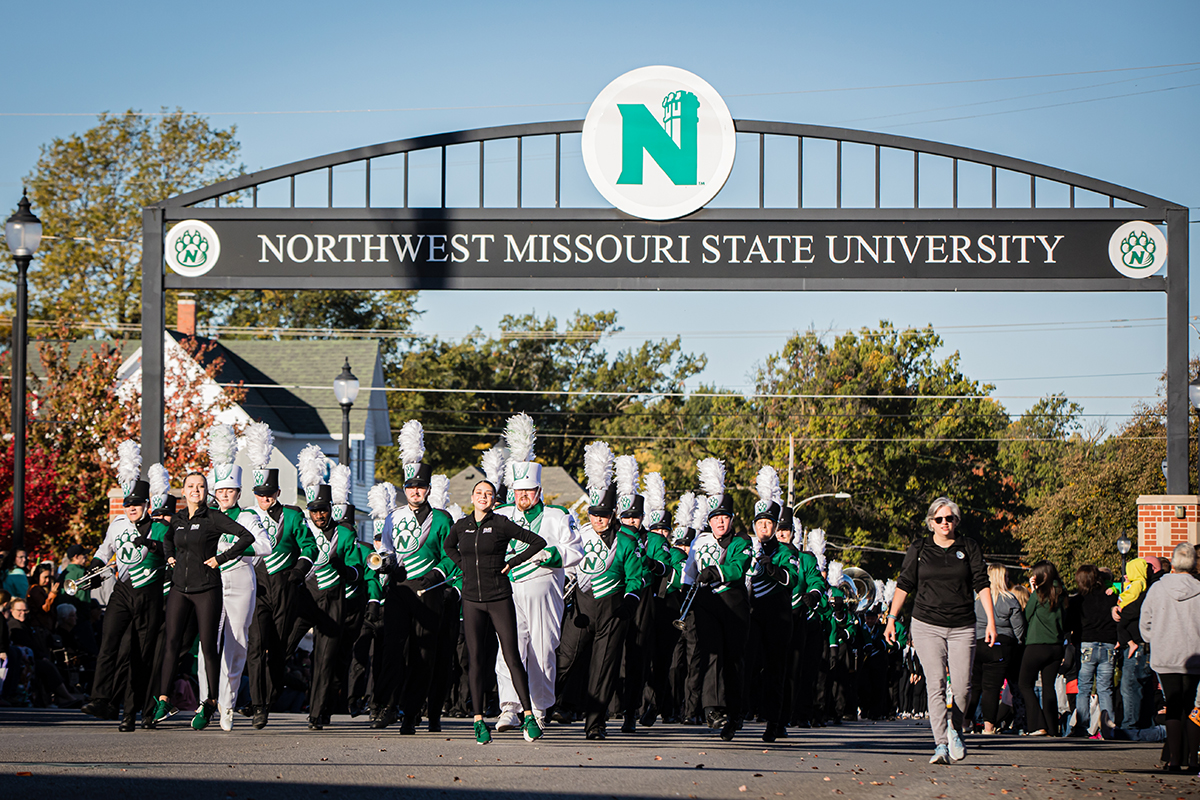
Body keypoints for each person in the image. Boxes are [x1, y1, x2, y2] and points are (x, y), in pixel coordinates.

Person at [492, 413, 584, 734]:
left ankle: (540, 708)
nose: (523, 497)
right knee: (509, 649)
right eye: (519, 491)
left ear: (539, 489)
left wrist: (551, 553)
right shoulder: (503, 514)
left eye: (529, 491)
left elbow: (576, 552)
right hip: (509, 590)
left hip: (545, 588)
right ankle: (510, 708)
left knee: (543, 651)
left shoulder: (558, 515)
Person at [885, 497, 994, 765]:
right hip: (926, 624)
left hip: (962, 625)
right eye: (939, 519)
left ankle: (956, 729)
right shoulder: (919, 548)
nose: (945, 523)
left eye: (950, 518)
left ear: (956, 521)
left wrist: (990, 621)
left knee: (962, 688)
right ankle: (941, 744)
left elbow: (982, 583)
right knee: (935, 684)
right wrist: (891, 618)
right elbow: (905, 583)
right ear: (931, 522)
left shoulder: (968, 547)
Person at [554, 440, 646, 740]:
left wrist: (630, 602)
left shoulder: (627, 541)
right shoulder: (577, 535)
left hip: (613, 608)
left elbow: (635, 578)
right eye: (594, 513)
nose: (598, 519)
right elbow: (566, 567)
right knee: (565, 659)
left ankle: (595, 724)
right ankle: (545, 707)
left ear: (613, 514)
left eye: (604, 514)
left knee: (603, 667)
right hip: (581, 605)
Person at [444, 478, 547, 744]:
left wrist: (513, 562)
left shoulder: (500, 523)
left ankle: (528, 716)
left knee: (512, 656)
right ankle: (479, 721)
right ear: (472, 496)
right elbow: (448, 547)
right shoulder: (461, 526)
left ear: (494, 499)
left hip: (499, 596)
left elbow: (537, 542)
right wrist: (462, 565)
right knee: (476, 660)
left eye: (488, 494)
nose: (483, 496)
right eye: (479, 492)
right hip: (471, 600)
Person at [151, 471, 256, 730]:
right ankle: (163, 700)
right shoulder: (177, 519)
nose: (195, 490)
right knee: (171, 643)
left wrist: (221, 558)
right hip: (179, 588)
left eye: (200, 486)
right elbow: (167, 539)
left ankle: (209, 703)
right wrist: (169, 557)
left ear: (205, 491)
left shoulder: (213, 517)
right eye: (190, 486)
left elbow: (247, 537)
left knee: (209, 647)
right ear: (184, 491)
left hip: (207, 588)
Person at [79, 476, 169, 730]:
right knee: (109, 642)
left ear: (146, 504)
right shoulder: (118, 524)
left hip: (150, 594)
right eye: (127, 503)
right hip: (123, 590)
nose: (131, 508)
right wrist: (94, 568)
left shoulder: (160, 527)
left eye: (137, 503)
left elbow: (174, 552)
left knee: (140, 654)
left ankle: (131, 713)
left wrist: (154, 546)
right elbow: (104, 551)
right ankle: (101, 699)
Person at [200, 437, 274, 732]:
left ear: (238, 492)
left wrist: (233, 551)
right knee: (208, 643)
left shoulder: (248, 516)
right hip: (212, 583)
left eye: (230, 490)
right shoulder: (206, 517)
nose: (225, 494)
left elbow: (266, 546)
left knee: (237, 644)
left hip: (242, 581)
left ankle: (227, 704)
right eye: (220, 490)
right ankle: (206, 701)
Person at [684, 457, 752, 741]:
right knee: (711, 654)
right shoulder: (699, 542)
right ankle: (712, 708)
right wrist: (686, 596)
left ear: (731, 519)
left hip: (734, 605)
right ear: (708, 521)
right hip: (706, 606)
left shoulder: (743, 542)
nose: (719, 522)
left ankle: (734, 712)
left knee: (733, 661)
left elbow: (739, 569)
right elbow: (688, 573)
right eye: (714, 518)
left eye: (724, 517)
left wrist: (716, 571)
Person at [1139, 542, 1200, 773]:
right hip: (1194, 655)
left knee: (1173, 705)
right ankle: (1193, 759)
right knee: (1193, 706)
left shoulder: (1157, 589)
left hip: (1166, 655)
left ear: (1173, 562)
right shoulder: (1199, 589)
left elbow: (1145, 623)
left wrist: (1153, 638)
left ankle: (1174, 759)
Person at [967, 564, 1025, 734]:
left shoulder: (976, 598)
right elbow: (1018, 628)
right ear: (1002, 578)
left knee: (974, 686)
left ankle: (965, 721)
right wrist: (1018, 644)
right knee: (991, 688)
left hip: (978, 643)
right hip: (1001, 645)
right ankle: (989, 726)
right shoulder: (1010, 599)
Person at [1017, 560, 1067, 738]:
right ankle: (1053, 728)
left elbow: (1027, 615)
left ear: (1042, 576)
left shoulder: (1038, 594)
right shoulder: (1062, 594)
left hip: (1036, 644)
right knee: (1049, 686)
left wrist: (1032, 592)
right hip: (1056, 646)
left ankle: (1038, 723)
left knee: (1024, 683)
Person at [1068, 564, 1118, 737]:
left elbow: (1070, 624)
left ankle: (1081, 726)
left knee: (1084, 688)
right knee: (1105, 688)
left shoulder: (1077, 600)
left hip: (1086, 643)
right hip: (1109, 644)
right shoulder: (1110, 597)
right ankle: (1108, 728)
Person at [1115, 556, 1162, 730]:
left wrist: (1120, 610)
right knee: (1140, 685)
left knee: (1130, 684)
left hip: (1137, 642)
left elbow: (1133, 607)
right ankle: (1143, 724)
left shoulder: (1142, 588)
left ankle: (1130, 724)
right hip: (1140, 641)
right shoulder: (1147, 586)